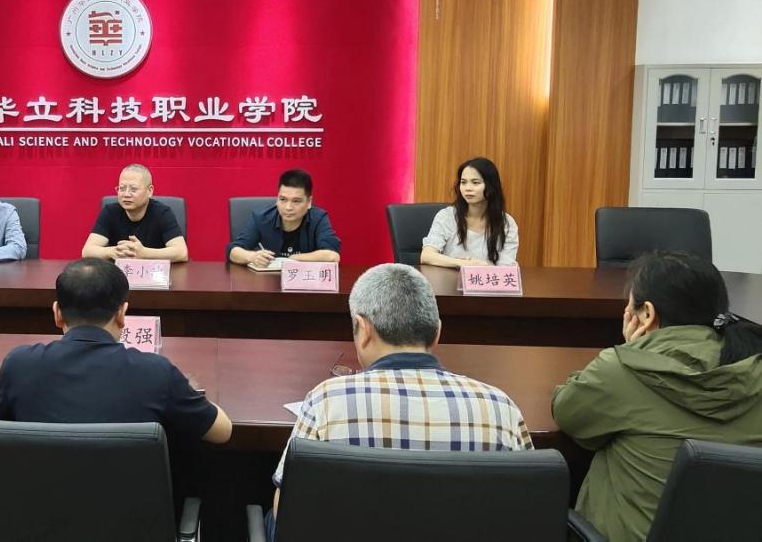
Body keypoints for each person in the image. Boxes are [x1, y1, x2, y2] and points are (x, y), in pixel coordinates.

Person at [269, 263, 531, 536]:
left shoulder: (326, 401)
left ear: (363, 329)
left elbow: (287, 510)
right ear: (437, 333)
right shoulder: (501, 408)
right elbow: (529, 508)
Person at [552, 251, 762, 542]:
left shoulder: (623, 371)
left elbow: (567, 410)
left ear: (647, 314)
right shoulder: (754, 367)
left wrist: (629, 351)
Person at [0, 258, 231, 444]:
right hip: (130, 501)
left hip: (37, 499)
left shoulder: (19, 365)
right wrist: (184, 389)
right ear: (122, 314)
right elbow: (222, 431)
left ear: (57, 313)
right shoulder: (156, 372)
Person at [226, 168, 341, 267]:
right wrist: (252, 256)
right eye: (283, 199)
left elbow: (332, 256)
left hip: (305, 282)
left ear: (309, 202)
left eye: (296, 201)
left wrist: (292, 260)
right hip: (268, 282)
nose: (288, 207)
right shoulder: (261, 218)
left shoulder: (318, 218)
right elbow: (232, 251)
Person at [420, 157, 518, 267]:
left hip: (487, 278)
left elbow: (506, 268)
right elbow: (426, 255)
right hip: (449, 277)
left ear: (491, 186)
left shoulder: (507, 223)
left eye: (475, 183)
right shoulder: (447, 216)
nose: (468, 188)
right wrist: (464, 264)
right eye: (463, 182)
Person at [82, 164, 188, 262]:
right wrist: (113, 251)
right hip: (119, 273)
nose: (126, 194)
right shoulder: (110, 212)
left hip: (155, 273)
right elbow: (87, 251)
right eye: (122, 188)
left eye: (133, 189)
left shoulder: (162, 213)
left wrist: (144, 253)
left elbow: (182, 253)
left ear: (150, 191)